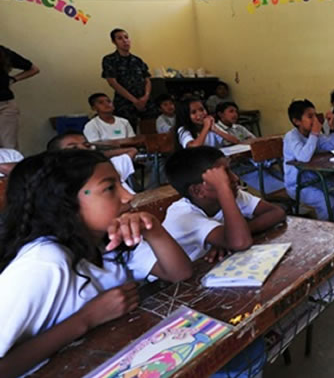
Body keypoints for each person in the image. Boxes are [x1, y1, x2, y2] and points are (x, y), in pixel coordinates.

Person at [0, 150, 192, 377]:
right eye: (110, 188)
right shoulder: (44, 262)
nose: (128, 196)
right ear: (65, 201)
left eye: (120, 183)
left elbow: (180, 274)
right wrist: (86, 319)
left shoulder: (106, 241)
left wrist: (153, 230)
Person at [162, 147, 286, 263]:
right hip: (183, 275)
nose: (235, 178)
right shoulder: (183, 216)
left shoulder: (232, 194)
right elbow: (241, 242)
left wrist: (227, 238)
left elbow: (277, 212)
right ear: (198, 191)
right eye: (223, 176)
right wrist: (223, 188)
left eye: (229, 170)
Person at [283, 99, 334, 223]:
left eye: (315, 116)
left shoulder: (313, 135)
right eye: (310, 117)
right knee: (328, 203)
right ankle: (329, 232)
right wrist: (315, 133)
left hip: (315, 179)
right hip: (298, 185)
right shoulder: (291, 137)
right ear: (296, 121)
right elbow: (303, 157)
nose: (315, 120)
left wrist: (331, 127)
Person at [47, 131, 138, 195]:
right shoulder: (66, 185)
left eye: (87, 145)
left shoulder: (108, 167)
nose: (84, 149)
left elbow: (132, 150)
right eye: (74, 148)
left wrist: (98, 155)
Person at [101, 29, 157, 131]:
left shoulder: (137, 60)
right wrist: (134, 101)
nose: (125, 41)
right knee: (128, 132)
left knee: (150, 130)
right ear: (114, 42)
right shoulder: (109, 60)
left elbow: (147, 80)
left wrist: (145, 97)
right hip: (125, 103)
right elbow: (113, 82)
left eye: (126, 37)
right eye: (120, 38)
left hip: (145, 102)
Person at [0, 45, 39, 149]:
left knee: (8, 146)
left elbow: (33, 69)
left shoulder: (4, 53)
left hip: (4, 105)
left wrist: (14, 79)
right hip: (5, 105)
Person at [175, 97, 239, 149]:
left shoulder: (212, 126)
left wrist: (215, 129)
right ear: (186, 116)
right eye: (194, 112)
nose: (200, 114)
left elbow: (235, 141)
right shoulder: (183, 130)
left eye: (202, 110)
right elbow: (193, 148)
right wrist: (206, 127)